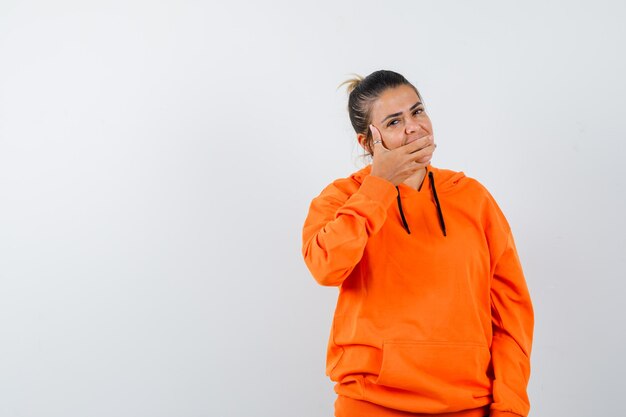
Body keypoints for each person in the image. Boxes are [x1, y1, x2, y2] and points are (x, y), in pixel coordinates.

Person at [301, 70, 534, 417]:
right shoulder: (342, 198)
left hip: (470, 404)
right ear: (368, 143)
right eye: (394, 121)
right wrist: (379, 186)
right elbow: (326, 267)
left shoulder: (473, 198)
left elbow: (510, 313)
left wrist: (510, 407)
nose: (413, 127)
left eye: (418, 111)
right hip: (371, 403)